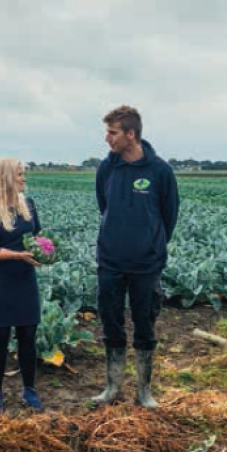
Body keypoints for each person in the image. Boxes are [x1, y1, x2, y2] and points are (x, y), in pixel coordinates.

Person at [92, 105, 179, 408]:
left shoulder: (160, 171)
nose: (107, 138)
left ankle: (144, 391)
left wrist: (151, 246)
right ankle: (113, 387)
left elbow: (169, 216)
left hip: (146, 264)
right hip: (110, 261)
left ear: (131, 134)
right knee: (111, 322)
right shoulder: (107, 168)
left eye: (112, 133)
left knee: (145, 323)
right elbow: (104, 207)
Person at [0, 157, 43, 413]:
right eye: (19, 175)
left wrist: (43, 253)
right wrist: (18, 256)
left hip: (25, 281)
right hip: (0, 283)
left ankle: (29, 389)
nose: (24, 179)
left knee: (28, 336)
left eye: (23, 174)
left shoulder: (30, 206)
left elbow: (37, 237)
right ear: (6, 178)